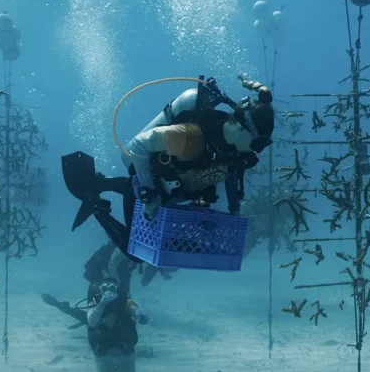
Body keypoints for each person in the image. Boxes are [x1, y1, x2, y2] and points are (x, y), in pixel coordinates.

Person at [62, 76, 273, 284]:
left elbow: (231, 173)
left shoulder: (235, 151)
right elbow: (139, 145)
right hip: (151, 184)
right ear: (240, 128)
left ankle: (102, 183)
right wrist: (148, 193)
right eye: (259, 144)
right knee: (134, 252)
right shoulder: (190, 137)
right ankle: (97, 206)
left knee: (162, 207)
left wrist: (235, 209)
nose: (258, 151)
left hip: (176, 189)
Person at [86, 272, 148, 372]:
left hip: (125, 352)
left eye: (112, 288)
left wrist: (139, 314)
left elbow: (134, 309)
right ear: (99, 289)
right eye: (104, 288)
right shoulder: (95, 302)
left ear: (117, 288)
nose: (108, 291)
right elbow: (91, 321)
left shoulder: (125, 301)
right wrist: (102, 304)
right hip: (103, 353)